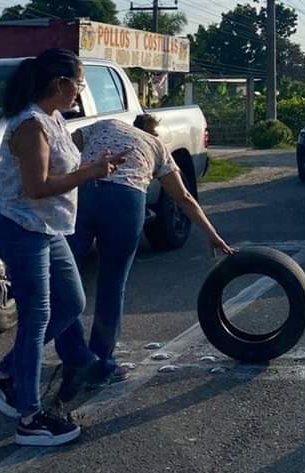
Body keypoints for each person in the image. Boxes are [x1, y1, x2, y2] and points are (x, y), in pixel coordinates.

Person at [0, 49, 123, 447]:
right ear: (59, 84)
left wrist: (96, 165)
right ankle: (29, 416)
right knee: (38, 316)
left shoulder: (54, 120)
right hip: (22, 229)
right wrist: (89, 173)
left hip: (47, 229)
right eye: (79, 84)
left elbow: (59, 171)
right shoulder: (31, 126)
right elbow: (36, 187)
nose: (80, 92)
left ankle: (2, 376)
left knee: (70, 303)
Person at [54, 114, 235, 394]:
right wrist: (212, 235)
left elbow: (65, 148)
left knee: (66, 280)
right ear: (154, 132)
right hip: (126, 202)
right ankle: (102, 363)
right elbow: (184, 198)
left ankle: (75, 358)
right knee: (112, 285)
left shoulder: (105, 124)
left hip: (86, 192)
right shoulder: (157, 146)